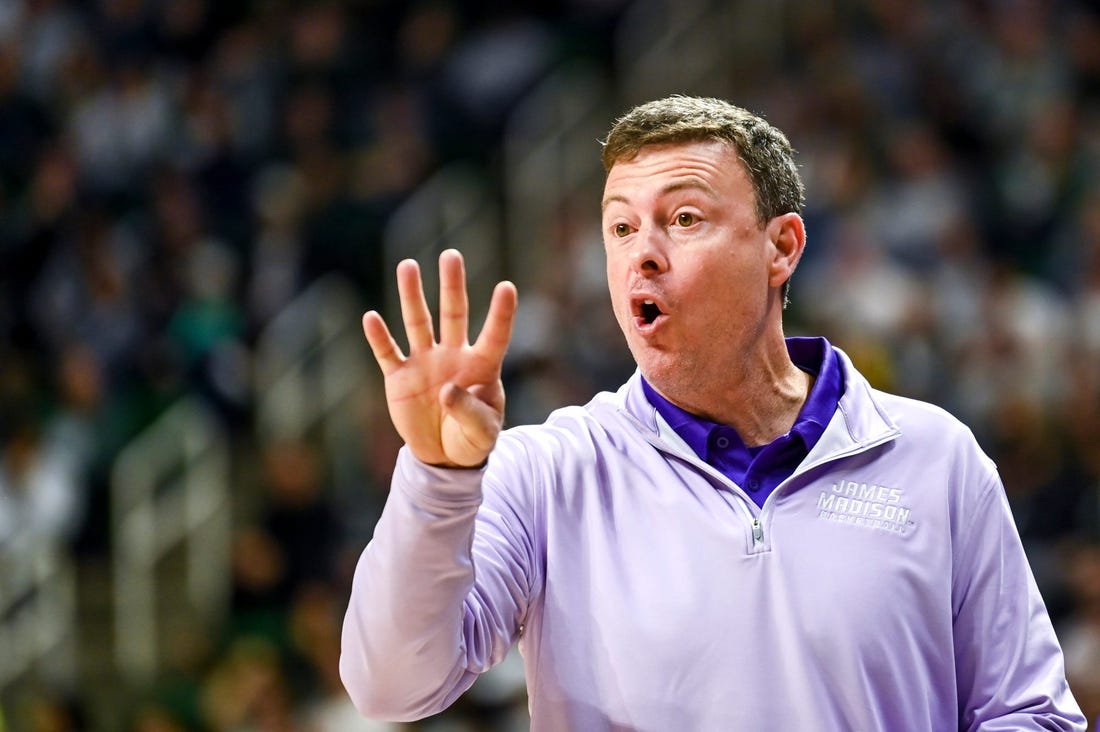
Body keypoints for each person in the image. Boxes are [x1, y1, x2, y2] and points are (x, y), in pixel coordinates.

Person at [339, 95, 1086, 730]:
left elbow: (1032, 711)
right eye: (622, 227)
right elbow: (392, 684)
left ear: (781, 247)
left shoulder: (934, 458)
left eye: (685, 218)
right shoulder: (546, 473)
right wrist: (439, 477)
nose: (644, 253)